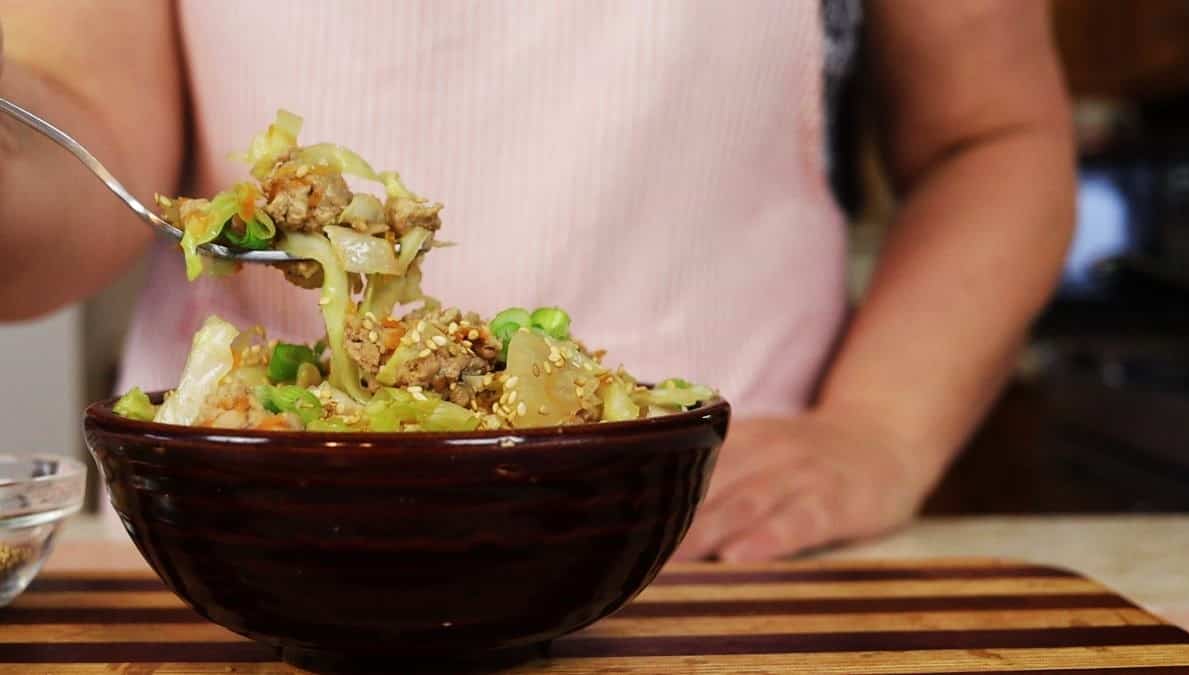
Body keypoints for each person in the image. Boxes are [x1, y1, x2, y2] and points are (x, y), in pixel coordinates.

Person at [0, 1, 1073, 561]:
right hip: (241, 552)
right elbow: (76, 145)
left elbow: (992, 137)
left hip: (717, 546)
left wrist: (880, 428)